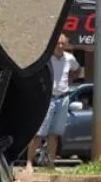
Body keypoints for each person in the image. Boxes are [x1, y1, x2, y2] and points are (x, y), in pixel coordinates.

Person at [26, 34, 82, 172]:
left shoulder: (69, 58)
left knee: (54, 134)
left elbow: (78, 69)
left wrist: (70, 80)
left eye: (63, 43)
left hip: (63, 98)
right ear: (53, 44)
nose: (61, 46)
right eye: (58, 43)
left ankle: (51, 164)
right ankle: (29, 163)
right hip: (48, 98)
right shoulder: (46, 57)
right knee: (39, 134)